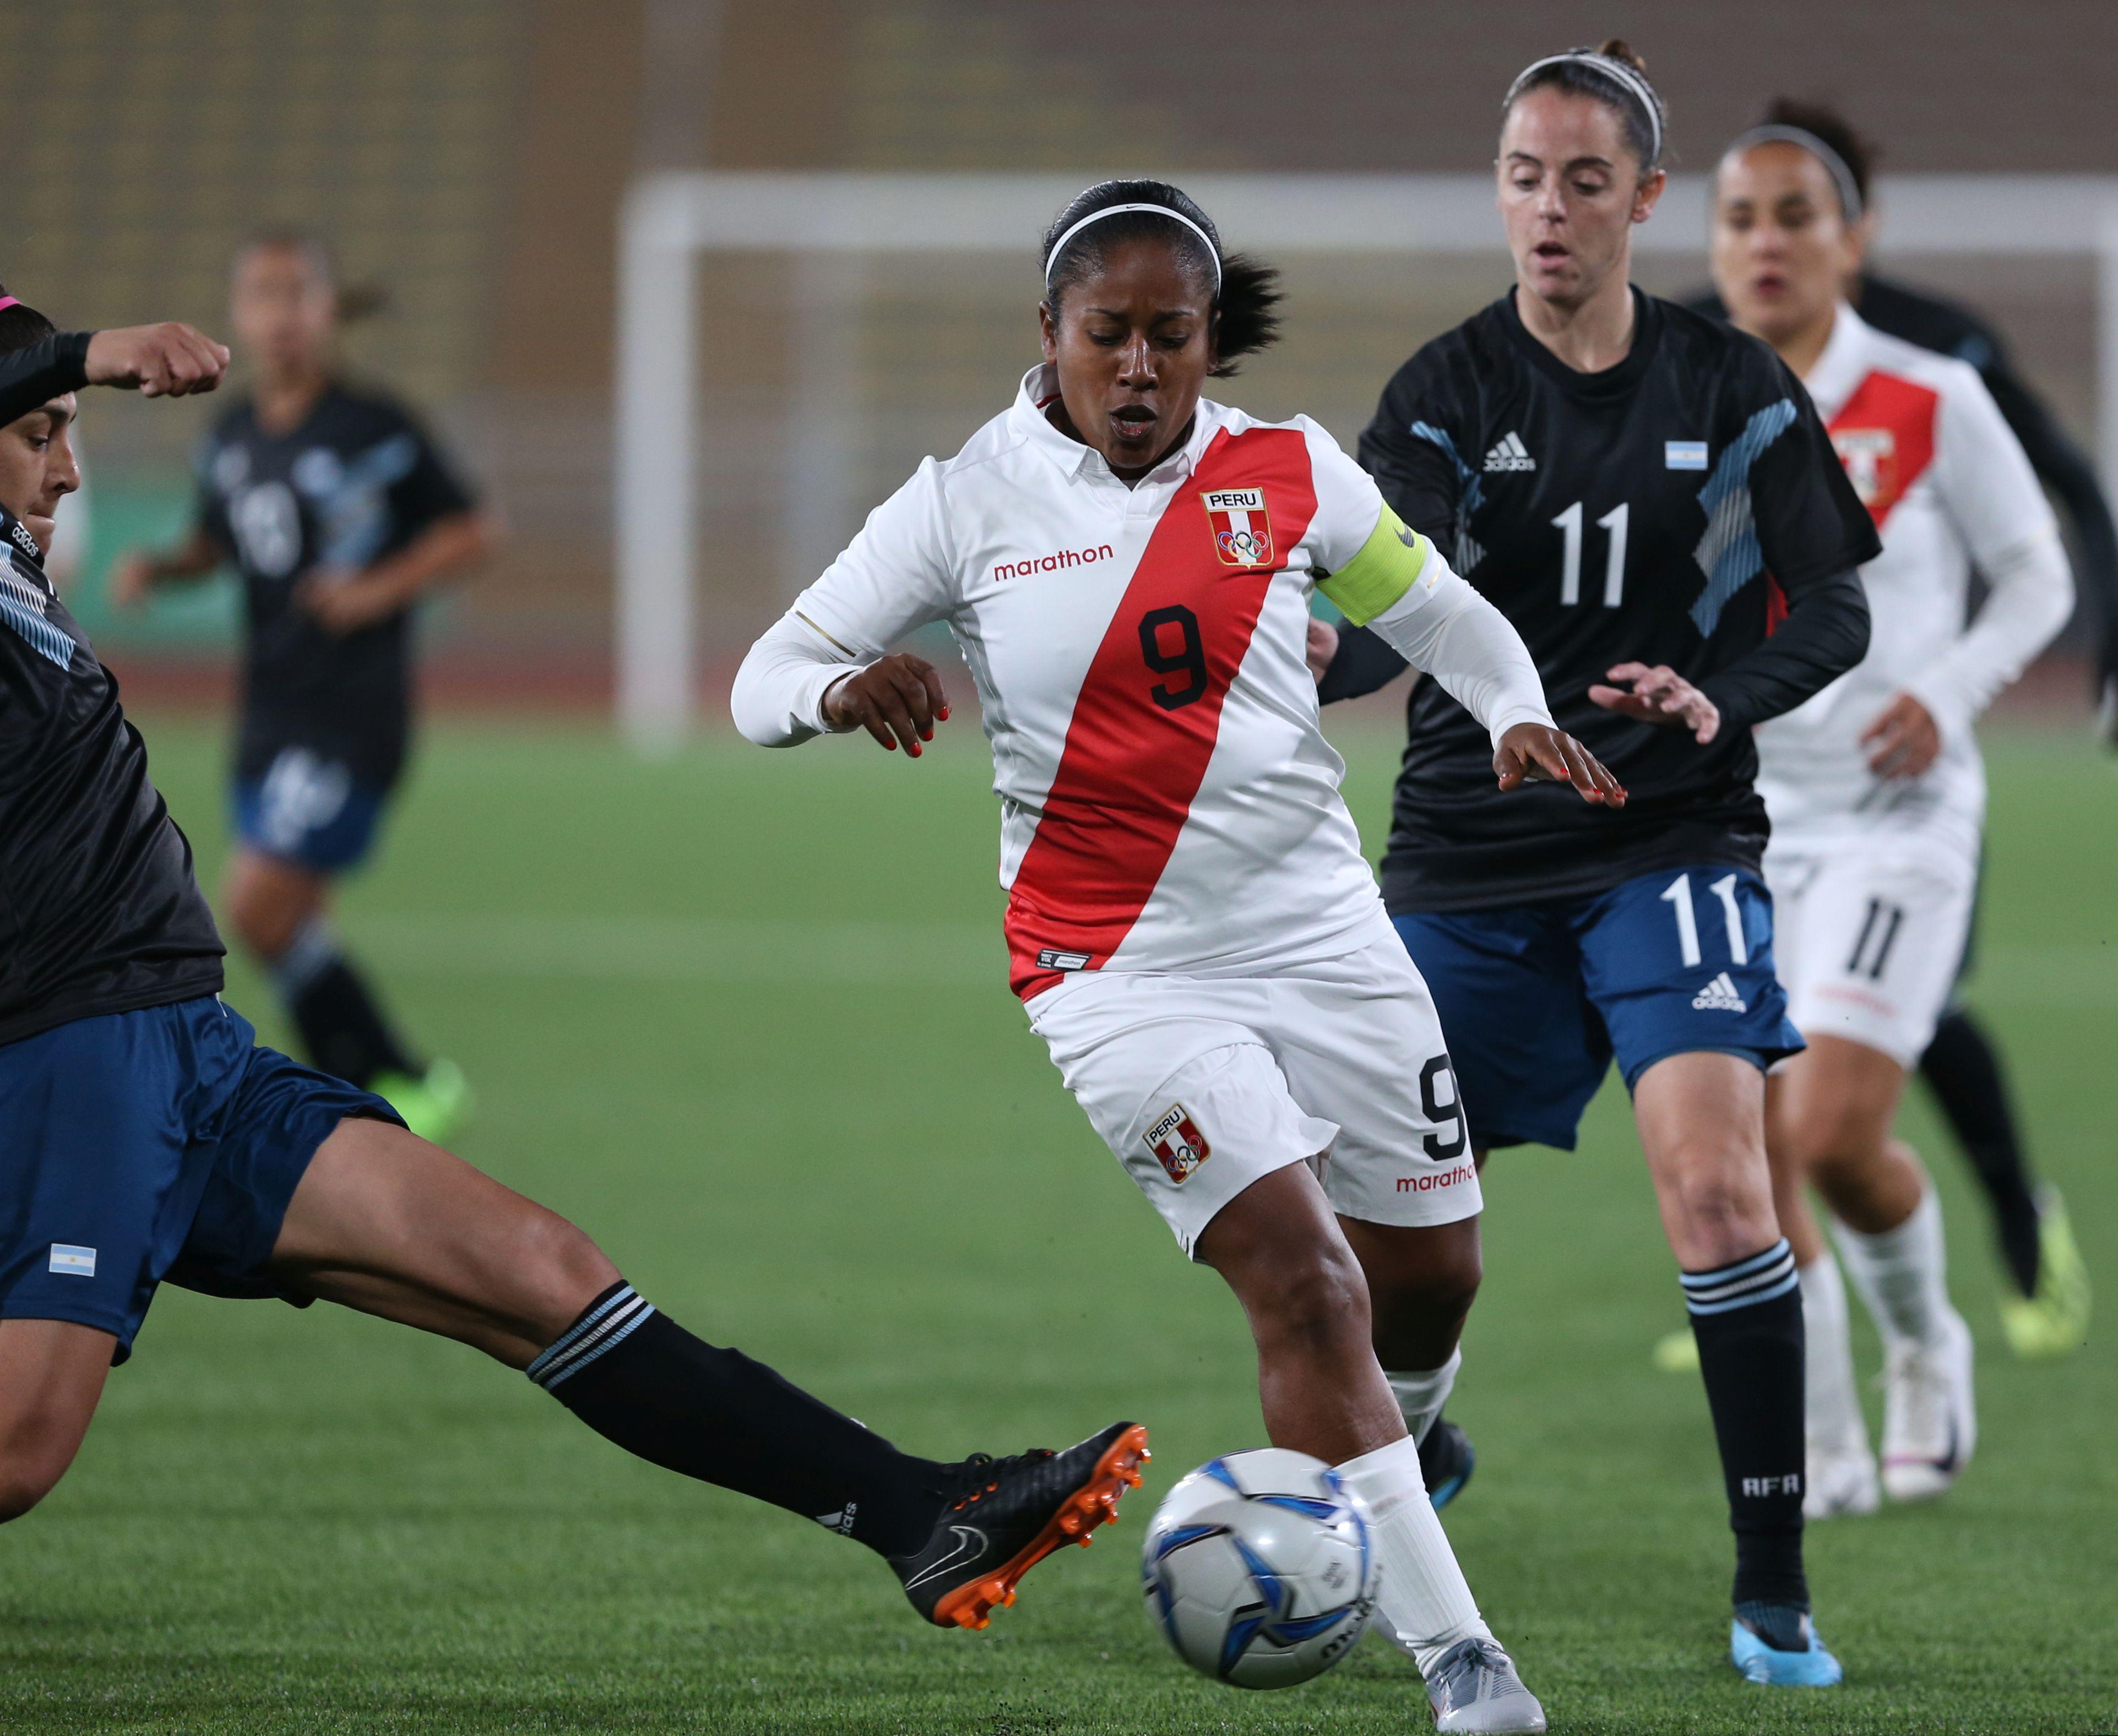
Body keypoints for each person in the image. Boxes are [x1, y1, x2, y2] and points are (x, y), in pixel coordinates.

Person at [0, 286, 1143, 1635]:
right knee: (21, 1450)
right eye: (35, 429)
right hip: (71, 1051)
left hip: (191, 1053)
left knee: (541, 1271)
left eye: (68, 426)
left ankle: (921, 1513)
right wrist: (93, 351)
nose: (69, 463)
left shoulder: (26, 564)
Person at [734, 178, 1629, 1732]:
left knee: (1432, 1277)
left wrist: (1513, 709)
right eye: (1106, 336)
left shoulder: (1284, 474)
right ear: (1049, 335)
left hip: (1320, 928)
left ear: (1208, 343)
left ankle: (1387, 1473)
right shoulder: (965, 500)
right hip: (1114, 968)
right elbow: (763, 672)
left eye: (1168, 337)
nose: (1136, 368)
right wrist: (834, 691)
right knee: (1308, 1287)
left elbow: (1441, 617)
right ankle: (1462, 1664)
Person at [1309, 44, 1880, 1686]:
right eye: (1518, 176)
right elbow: (1376, 609)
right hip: (1464, 859)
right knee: (1384, 1247)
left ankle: (1769, 1584)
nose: (1544, 209)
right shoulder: (1440, 394)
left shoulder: (1731, 388)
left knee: (1714, 1188)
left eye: (1579, 180)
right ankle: (1416, 1440)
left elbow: (1829, 603)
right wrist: (1286, 657)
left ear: (1640, 200)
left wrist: (1724, 696)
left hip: (1666, 845)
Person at [1706, 115, 2076, 1516]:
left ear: (1851, 239)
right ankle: (1829, 1446)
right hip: (1739, 828)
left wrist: (1949, 689)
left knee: (1830, 1133)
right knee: (1753, 1153)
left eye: (1796, 215)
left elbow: (2036, 576)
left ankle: (1928, 1342)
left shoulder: (1930, 395)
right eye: (1741, 217)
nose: (1766, 242)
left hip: (1896, 819)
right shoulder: (1684, 408)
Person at [113, 231, 487, 1143]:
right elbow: (219, 545)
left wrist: (376, 590)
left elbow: (472, 530)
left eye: (297, 293)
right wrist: (163, 569)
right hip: (269, 713)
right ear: (238, 314)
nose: (280, 313)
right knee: (286, 927)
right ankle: (385, 1093)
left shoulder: (376, 427)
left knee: (257, 904)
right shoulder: (233, 435)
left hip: (348, 715)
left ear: (327, 309)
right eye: (261, 294)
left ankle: (390, 1088)